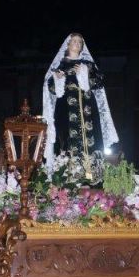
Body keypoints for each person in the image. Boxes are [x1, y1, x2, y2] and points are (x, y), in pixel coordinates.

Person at [42, 33, 119, 173]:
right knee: (66, 140)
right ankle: (68, 177)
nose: (77, 44)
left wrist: (85, 73)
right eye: (74, 41)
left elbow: (98, 82)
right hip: (66, 110)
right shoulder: (61, 64)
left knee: (91, 140)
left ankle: (91, 177)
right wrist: (57, 78)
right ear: (68, 44)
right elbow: (51, 89)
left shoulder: (88, 65)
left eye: (79, 42)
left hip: (88, 109)